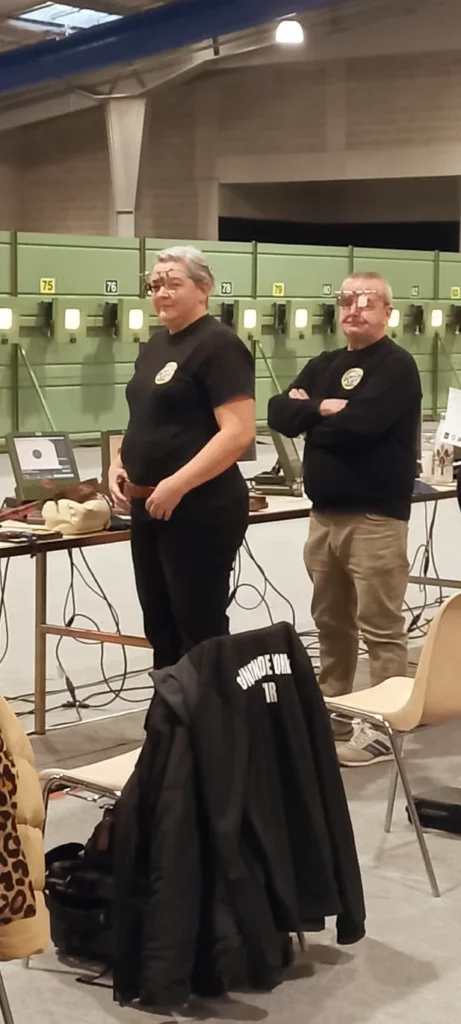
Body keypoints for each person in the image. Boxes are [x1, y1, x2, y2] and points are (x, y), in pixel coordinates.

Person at [268, 272, 422, 766]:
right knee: (331, 623)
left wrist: (312, 415)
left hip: (375, 518)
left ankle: (383, 729)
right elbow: (278, 414)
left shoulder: (397, 366)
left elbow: (363, 425)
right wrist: (326, 407)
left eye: (367, 301)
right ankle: (333, 715)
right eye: (346, 300)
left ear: (388, 312)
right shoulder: (325, 364)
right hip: (324, 518)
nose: (354, 309)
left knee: (380, 627)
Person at [108, 246, 255, 668]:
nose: (162, 293)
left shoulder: (219, 346)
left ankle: (210, 710)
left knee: (198, 627)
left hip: (198, 508)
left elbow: (238, 432)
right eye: (155, 285)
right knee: (160, 626)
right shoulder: (156, 344)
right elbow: (146, 416)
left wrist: (178, 483)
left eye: (173, 283)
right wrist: (119, 460)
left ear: (204, 288)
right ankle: (170, 710)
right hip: (148, 507)